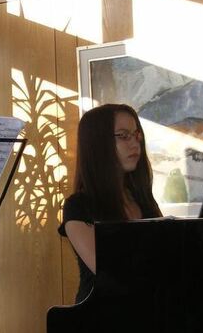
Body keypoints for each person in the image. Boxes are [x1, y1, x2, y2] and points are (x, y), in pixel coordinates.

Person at [58, 104, 162, 303]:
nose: (134, 144)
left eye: (136, 134)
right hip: (100, 318)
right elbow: (110, 270)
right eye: (123, 136)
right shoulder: (78, 207)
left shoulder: (143, 200)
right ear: (98, 144)